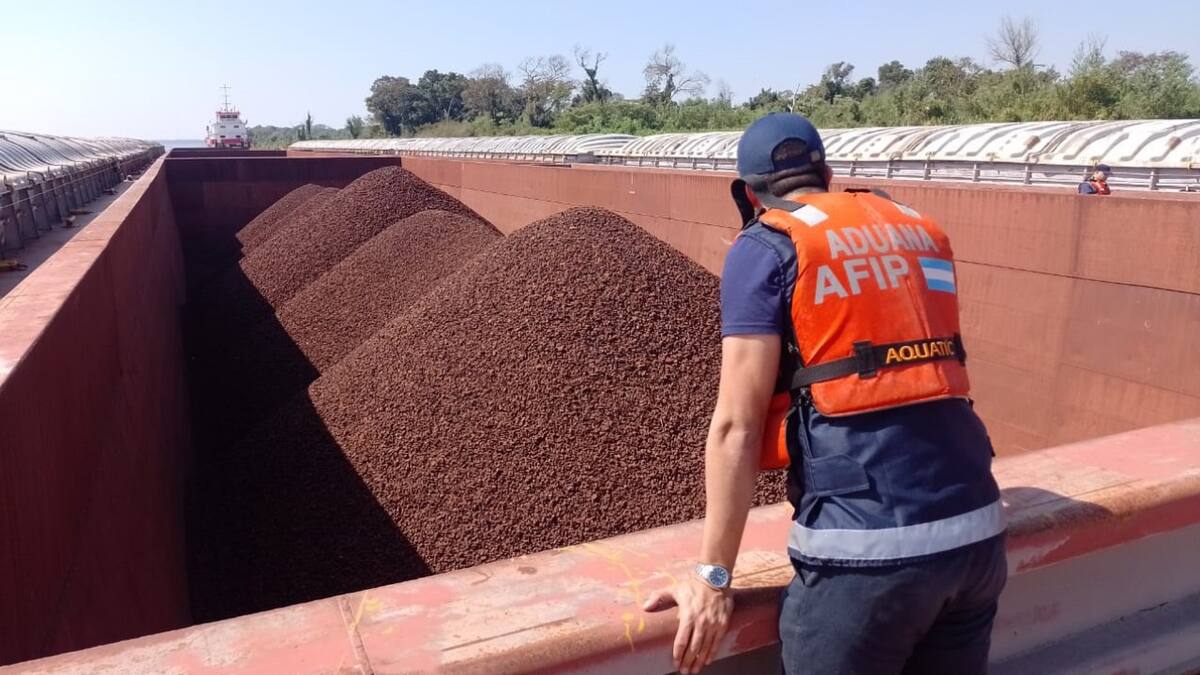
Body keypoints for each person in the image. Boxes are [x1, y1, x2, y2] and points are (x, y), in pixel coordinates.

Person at [643, 113, 1007, 675]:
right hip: (978, 534)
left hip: (868, 555)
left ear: (747, 193)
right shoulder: (916, 229)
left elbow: (736, 425)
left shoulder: (765, 247)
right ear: (829, 172)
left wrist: (713, 575)